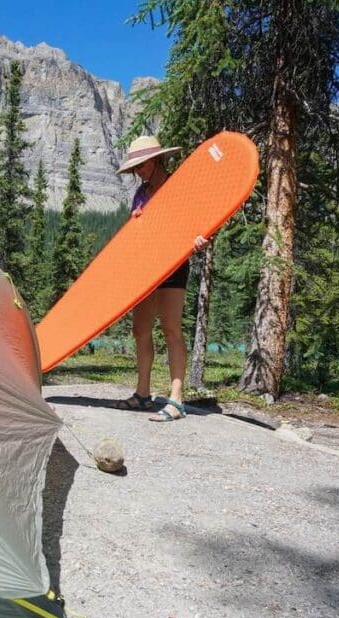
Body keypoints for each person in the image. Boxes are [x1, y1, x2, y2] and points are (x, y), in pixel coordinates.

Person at [113, 135, 208, 422]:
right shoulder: (140, 194)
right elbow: (136, 233)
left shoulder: (179, 187)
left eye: (142, 165)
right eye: (135, 167)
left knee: (170, 328)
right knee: (140, 330)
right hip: (145, 267)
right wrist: (137, 221)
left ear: (157, 160)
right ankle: (143, 394)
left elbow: (196, 223)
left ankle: (176, 399)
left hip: (174, 264)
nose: (139, 171)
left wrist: (200, 238)